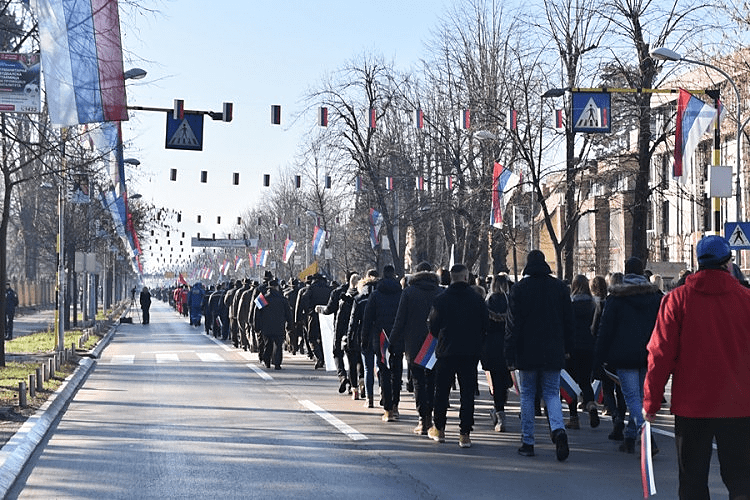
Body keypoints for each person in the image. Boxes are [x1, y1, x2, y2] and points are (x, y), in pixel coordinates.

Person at [644, 235, 750, 499]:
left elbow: (660, 355)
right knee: (741, 480)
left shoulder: (677, 300)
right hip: (738, 405)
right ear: (728, 263)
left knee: (692, 480)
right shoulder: (745, 300)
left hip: (692, 406)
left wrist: (651, 402)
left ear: (698, 263)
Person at [505, 250, 573, 461]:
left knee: (526, 395)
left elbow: (512, 325)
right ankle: (559, 430)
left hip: (526, 351)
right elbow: (568, 321)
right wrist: (568, 347)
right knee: (552, 393)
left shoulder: (519, 290)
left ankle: (528, 441)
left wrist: (509, 354)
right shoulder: (559, 288)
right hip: (553, 350)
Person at [594, 256, 663, 454]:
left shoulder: (616, 298)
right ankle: (630, 437)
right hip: (649, 353)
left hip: (623, 354)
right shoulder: (655, 297)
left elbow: (605, 330)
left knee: (632, 397)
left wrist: (599, 358)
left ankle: (647, 437)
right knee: (640, 397)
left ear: (626, 272)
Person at [427, 264, 488, 448]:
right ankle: (465, 433)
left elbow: (433, 327)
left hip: (446, 351)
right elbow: (485, 325)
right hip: (470, 352)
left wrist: (442, 337)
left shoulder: (440, 300)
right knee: (467, 393)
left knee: (442, 391)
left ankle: (440, 429)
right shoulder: (477, 300)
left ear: (451, 278)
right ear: (466, 276)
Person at [389, 261, 441, 435]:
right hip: (434, 344)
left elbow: (400, 319)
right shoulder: (439, 291)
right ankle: (431, 417)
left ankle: (422, 419)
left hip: (414, 344)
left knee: (418, 382)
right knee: (432, 382)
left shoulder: (409, 292)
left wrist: (393, 341)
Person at [362, 265, 403, 422]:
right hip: (398, 337)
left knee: (384, 372)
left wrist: (364, 339)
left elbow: (367, 319)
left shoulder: (376, 295)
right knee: (397, 372)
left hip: (380, 338)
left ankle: (388, 410)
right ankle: (396, 406)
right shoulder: (401, 294)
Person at [565, 274, 599, 430]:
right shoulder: (594, 305)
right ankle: (591, 404)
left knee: (571, 383)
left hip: (573, 347)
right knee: (585, 380)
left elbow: (567, 327)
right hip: (589, 346)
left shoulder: (570, 305)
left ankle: (573, 417)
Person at [482, 273, 513, 432]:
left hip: (491, 346)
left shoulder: (487, 302)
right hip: (507, 344)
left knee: (495, 379)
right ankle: (503, 396)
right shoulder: (511, 302)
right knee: (505, 375)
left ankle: (499, 412)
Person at [349, 270, 379, 407]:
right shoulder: (381, 297)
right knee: (382, 367)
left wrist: (350, 337)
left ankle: (369, 398)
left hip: (365, 336)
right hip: (381, 336)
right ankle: (384, 394)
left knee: (367, 368)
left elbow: (353, 321)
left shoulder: (359, 299)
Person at [253, 279, 293, 370]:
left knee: (268, 344)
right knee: (278, 345)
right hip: (279, 325)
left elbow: (256, 314)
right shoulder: (283, 299)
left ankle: (267, 362)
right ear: (276, 287)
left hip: (266, 326)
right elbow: (288, 314)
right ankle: (277, 363)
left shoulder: (262, 298)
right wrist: (290, 325)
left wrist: (256, 326)